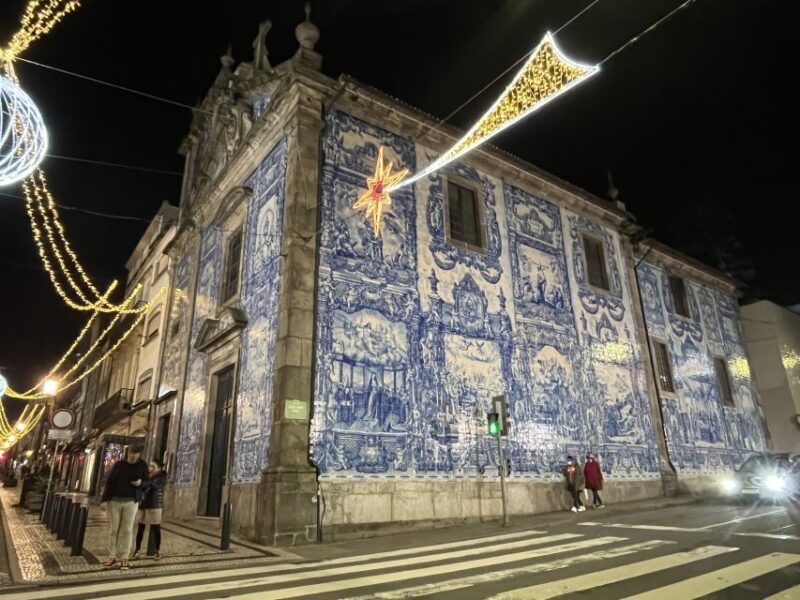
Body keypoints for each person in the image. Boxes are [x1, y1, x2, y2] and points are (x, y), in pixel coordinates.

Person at [101, 446, 148, 570]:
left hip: (131, 502)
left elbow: (148, 482)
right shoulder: (119, 465)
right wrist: (104, 500)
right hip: (115, 501)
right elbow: (109, 482)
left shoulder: (142, 466)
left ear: (139, 454)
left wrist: (140, 484)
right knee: (114, 529)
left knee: (127, 530)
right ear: (128, 452)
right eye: (132, 452)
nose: (134, 455)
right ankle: (112, 555)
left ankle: (125, 556)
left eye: (136, 453)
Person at [132, 460, 167, 560]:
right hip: (144, 504)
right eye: (150, 466)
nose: (150, 468)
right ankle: (137, 550)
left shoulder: (161, 477)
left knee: (156, 528)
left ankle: (157, 551)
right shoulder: (147, 477)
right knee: (141, 528)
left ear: (159, 469)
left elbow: (152, 485)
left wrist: (141, 483)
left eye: (153, 466)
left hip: (155, 505)